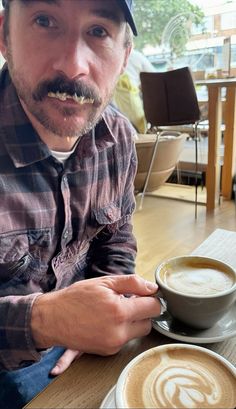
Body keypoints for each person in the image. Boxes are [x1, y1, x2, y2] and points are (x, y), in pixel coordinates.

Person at [0, 0, 161, 407]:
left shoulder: (119, 139)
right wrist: (48, 321)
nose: (73, 66)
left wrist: (106, 307)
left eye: (99, 32)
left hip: (87, 352)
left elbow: (116, 237)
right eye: (44, 21)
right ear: (4, 36)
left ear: (124, 56)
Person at [113, 49, 155, 133]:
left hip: (110, 111)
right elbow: (155, 80)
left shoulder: (110, 54)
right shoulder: (137, 56)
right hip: (132, 110)